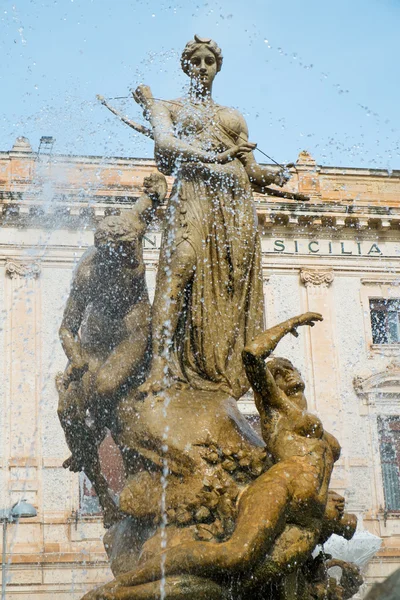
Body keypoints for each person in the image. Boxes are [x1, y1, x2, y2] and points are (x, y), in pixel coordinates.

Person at [84, 312, 346, 598]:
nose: (298, 393)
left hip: (306, 509)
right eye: (291, 388)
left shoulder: (310, 427)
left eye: (300, 387)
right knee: (235, 556)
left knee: (247, 576)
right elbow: (252, 355)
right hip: (280, 489)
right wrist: (288, 326)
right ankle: (125, 586)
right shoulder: (280, 413)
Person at [134, 35, 290, 398]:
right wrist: (215, 157)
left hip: (233, 208)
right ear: (185, 66)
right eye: (196, 61)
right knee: (177, 271)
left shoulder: (233, 117)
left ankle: (218, 368)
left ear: (218, 67)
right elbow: (166, 144)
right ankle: (160, 367)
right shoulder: (167, 106)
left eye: (209, 61)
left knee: (228, 291)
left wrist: (277, 175)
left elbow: (250, 171)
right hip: (194, 197)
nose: (202, 67)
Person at [57, 173, 167, 526]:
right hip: (94, 342)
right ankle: (103, 494)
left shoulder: (130, 227)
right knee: (68, 410)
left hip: (133, 332)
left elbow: (150, 198)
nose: (129, 257)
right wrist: (75, 361)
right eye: (121, 253)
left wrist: (156, 188)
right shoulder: (87, 275)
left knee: (105, 387)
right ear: (106, 252)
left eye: (132, 249)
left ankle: (101, 439)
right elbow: (66, 328)